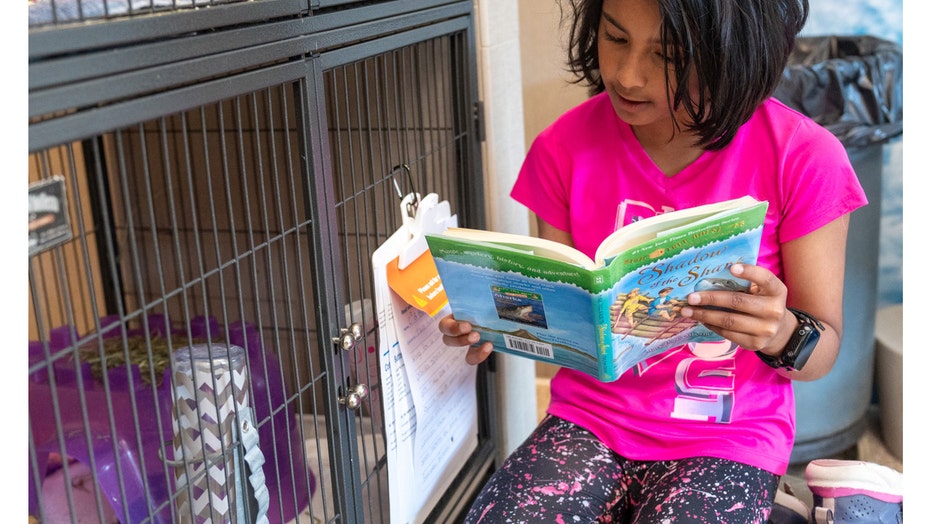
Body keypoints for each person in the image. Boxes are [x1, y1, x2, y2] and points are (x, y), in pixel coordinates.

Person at [438, 0, 868, 521]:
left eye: (668, 56)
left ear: (731, 55)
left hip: (728, 437)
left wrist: (781, 332)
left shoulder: (804, 156)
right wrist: (495, 322)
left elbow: (824, 349)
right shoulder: (562, 147)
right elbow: (564, 319)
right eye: (616, 38)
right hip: (588, 420)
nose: (627, 75)